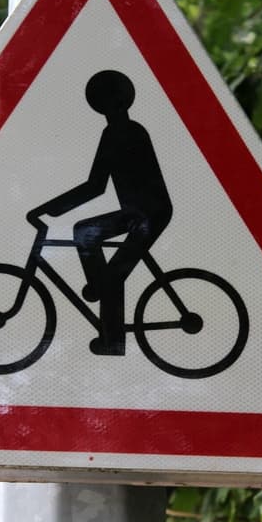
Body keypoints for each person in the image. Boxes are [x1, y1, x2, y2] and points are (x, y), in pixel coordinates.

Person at [27, 70, 172, 355]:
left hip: (149, 215)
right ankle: (97, 286)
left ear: (122, 102)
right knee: (84, 231)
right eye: (104, 102)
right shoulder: (111, 133)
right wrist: (50, 209)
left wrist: (48, 210)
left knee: (113, 276)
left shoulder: (133, 132)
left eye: (111, 101)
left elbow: (97, 187)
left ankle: (113, 341)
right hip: (134, 214)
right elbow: (96, 185)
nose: (109, 107)